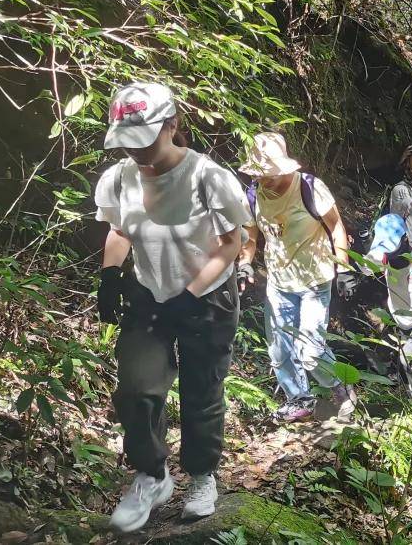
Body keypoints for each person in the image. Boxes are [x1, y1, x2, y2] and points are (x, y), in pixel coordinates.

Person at [93, 83, 250, 533]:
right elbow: (120, 230)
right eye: (128, 141)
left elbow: (231, 244)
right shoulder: (120, 178)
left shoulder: (208, 177)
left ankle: (202, 477)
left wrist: (189, 294)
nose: (137, 152)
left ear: (172, 125)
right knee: (137, 388)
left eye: (145, 139)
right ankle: (152, 475)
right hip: (149, 293)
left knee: (202, 390)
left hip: (208, 297)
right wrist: (109, 275)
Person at [236, 132, 357, 424]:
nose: (264, 179)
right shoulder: (253, 195)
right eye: (260, 173)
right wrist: (245, 263)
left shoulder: (310, 188)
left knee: (311, 350)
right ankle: (299, 400)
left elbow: (336, 228)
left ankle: (342, 390)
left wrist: (343, 268)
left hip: (315, 279)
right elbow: (250, 237)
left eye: (269, 173)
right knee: (280, 349)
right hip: (279, 283)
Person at [365, 213, 412, 399]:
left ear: (405, 239)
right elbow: (365, 268)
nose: (390, 253)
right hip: (402, 319)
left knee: (407, 361)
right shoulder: (382, 255)